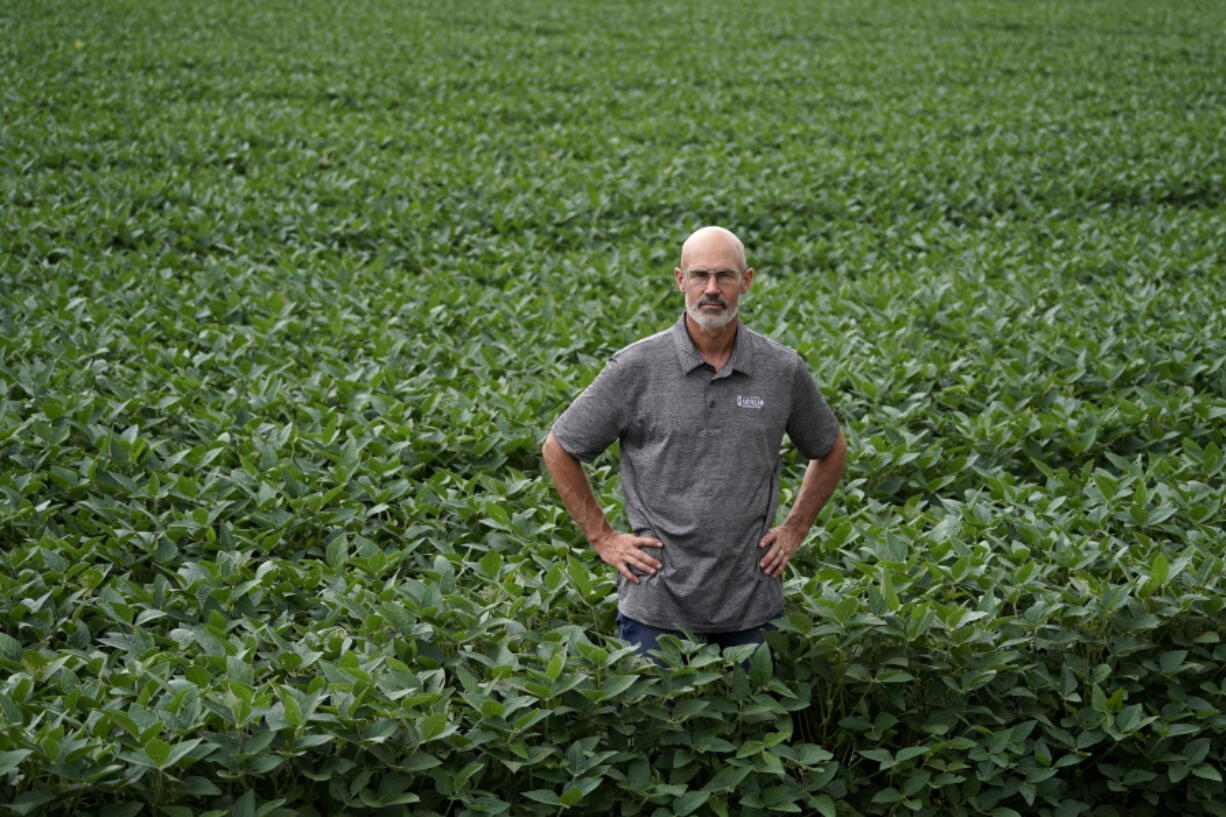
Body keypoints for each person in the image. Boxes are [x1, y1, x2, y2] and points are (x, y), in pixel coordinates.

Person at [541, 226, 846, 658]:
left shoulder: (781, 369)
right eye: (700, 275)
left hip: (752, 606)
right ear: (680, 280)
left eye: (725, 276)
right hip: (656, 607)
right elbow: (559, 448)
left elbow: (830, 448)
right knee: (656, 722)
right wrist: (603, 538)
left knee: (753, 724)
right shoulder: (636, 367)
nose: (712, 289)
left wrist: (795, 528)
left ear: (747, 281)